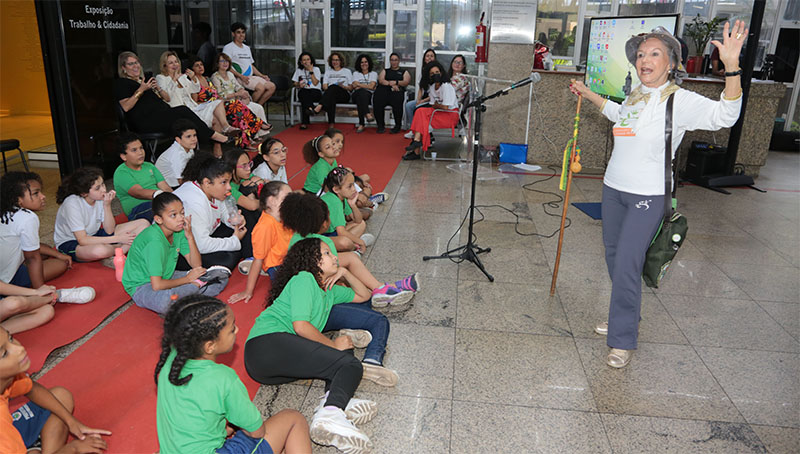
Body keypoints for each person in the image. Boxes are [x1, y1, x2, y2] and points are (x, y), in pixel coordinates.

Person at [569, 22, 746, 368]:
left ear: (672, 63)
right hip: (614, 188)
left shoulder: (681, 100)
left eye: (654, 53)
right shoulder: (637, 92)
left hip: (647, 195)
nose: (644, 60)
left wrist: (732, 67)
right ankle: (627, 317)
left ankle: (622, 339)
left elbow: (726, 114)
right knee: (615, 257)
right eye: (640, 54)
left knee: (627, 263)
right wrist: (589, 95)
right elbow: (620, 115)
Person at [244, 238, 395, 453]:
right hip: (266, 344)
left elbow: (365, 295)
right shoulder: (304, 279)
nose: (334, 257)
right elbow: (301, 326)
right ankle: (330, 414)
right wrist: (332, 345)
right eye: (326, 253)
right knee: (349, 364)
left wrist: (345, 273)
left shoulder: (329, 291)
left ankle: (335, 400)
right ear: (312, 260)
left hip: (270, 368)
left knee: (343, 358)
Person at [155, 294, 311, 454]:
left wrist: (222, 428)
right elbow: (257, 432)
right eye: (231, 329)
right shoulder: (223, 378)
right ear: (210, 346)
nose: (237, 329)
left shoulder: (171, 362)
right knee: (293, 419)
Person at [282, 192, 418, 308]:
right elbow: (334, 272)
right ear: (324, 223)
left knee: (350, 258)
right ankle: (381, 289)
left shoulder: (295, 239)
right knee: (354, 265)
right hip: (322, 290)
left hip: (300, 286)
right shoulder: (324, 243)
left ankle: (382, 287)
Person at [1, 327, 111, 453]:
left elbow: (31, 388)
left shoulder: (7, 379)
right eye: (4, 353)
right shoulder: (3, 438)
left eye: (10, 338)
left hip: (13, 436)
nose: (19, 348)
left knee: (61, 396)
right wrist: (73, 448)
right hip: (7, 443)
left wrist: (70, 421)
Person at [122, 192, 228, 315]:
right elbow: (157, 285)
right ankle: (196, 288)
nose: (181, 218)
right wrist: (188, 279)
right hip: (142, 285)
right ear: (158, 219)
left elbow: (196, 265)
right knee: (166, 302)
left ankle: (191, 292)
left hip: (167, 274)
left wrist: (190, 237)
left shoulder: (178, 231)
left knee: (221, 278)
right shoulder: (154, 242)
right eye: (173, 215)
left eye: (182, 213)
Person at [114, 51, 231, 146]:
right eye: (131, 64)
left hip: (162, 114)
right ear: (123, 68)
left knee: (187, 123)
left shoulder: (142, 81)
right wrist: (141, 90)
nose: (135, 66)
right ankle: (214, 136)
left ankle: (197, 152)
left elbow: (167, 98)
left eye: (137, 62)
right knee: (183, 111)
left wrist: (156, 89)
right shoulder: (123, 83)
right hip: (147, 122)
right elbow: (125, 107)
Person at [54, 167, 149, 262]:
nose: (103, 190)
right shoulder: (72, 204)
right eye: (97, 188)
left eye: (103, 184)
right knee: (99, 250)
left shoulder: (99, 198)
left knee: (143, 223)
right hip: (72, 241)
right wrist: (118, 238)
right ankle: (120, 247)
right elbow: (82, 240)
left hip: (94, 235)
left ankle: (120, 252)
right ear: (84, 194)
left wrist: (107, 205)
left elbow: (109, 230)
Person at [173, 153, 248, 271]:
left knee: (246, 223)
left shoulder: (213, 191)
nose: (229, 187)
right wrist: (234, 240)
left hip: (206, 235)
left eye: (229, 182)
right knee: (226, 260)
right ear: (207, 182)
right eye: (224, 182)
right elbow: (201, 245)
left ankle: (250, 256)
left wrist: (235, 221)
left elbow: (225, 214)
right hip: (183, 251)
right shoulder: (194, 203)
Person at [0, 172, 69, 289]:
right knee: (60, 265)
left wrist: (57, 254)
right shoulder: (27, 218)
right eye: (36, 193)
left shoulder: (6, 211)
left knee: (44, 250)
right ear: (18, 199)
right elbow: (32, 258)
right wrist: (40, 290)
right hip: (6, 279)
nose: (43, 196)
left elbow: (33, 246)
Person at [229, 181, 293, 299]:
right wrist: (248, 291)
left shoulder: (285, 215)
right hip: (277, 265)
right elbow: (258, 260)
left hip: (291, 255)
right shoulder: (265, 227)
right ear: (272, 201)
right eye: (288, 197)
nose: (292, 200)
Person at [155, 51, 239, 141]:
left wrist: (194, 78)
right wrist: (174, 80)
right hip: (179, 111)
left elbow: (195, 90)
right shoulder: (161, 78)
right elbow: (168, 97)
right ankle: (220, 145)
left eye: (176, 62)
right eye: (170, 63)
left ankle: (226, 128)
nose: (174, 64)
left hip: (193, 106)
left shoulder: (182, 77)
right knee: (215, 119)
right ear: (165, 66)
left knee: (218, 103)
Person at [190, 56, 269, 150]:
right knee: (235, 105)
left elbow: (218, 94)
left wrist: (242, 94)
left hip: (219, 104)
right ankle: (257, 125)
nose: (200, 67)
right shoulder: (195, 82)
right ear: (192, 69)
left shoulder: (207, 79)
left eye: (201, 65)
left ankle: (246, 141)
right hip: (208, 108)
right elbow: (195, 101)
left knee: (237, 111)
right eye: (197, 66)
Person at [403, 60, 460, 160]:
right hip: (438, 113)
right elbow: (433, 104)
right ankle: (416, 141)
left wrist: (437, 105)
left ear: (441, 72)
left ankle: (416, 148)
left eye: (437, 73)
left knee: (421, 116)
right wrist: (437, 106)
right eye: (432, 74)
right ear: (429, 76)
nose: (435, 75)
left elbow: (446, 107)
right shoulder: (433, 87)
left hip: (450, 115)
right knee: (419, 112)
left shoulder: (446, 86)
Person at [113, 133, 173, 222]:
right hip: (138, 211)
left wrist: (175, 197)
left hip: (158, 201)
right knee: (165, 209)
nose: (140, 152)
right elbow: (138, 192)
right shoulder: (122, 172)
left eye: (141, 148)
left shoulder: (149, 166)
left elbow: (165, 187)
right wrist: (160, 195)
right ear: (124, 156)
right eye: (134, 150)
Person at [211, 52, 272, 134]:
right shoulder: (215, 77)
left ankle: (256, 135)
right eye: (222, 61)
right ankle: (258, 125)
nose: (225, 63)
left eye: (227, 61)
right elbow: (220, 95)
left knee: (258, 107)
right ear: (217, 64)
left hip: (236, 101)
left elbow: (238, 87)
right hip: (225, 104)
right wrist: (236, 94)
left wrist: (243, 93)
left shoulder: (230, 74)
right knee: (240, 111)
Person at [320, 166, 374, 253]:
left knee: (362, 224)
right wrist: (361, 242)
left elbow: (358, 220)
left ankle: (354, 244)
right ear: (336, 189)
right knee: (344, 243)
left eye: (353, 184)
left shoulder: (341, 196)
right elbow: (341, 232)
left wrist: (353, 205)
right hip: (320, 237)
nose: (354, 189)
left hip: (331, 233)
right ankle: (355, 247)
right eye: (349, 186)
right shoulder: (334, 201)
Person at [222, 22, 276, 105]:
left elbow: (250, 65)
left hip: (250, 77)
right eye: (238, 32)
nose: (241, 35)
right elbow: (226, 66)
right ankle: (248, 110)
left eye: (243, 32)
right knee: (260, 88)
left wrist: (261, 75)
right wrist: (241, 76)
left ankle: (257, 108)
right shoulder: (228, 48)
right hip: (238, 77)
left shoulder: (246, 48)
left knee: (271, 86)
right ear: (233, 34)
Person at [224, 149, 263, 256]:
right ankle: (250, 253)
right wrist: (269, 200)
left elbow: (262, 181)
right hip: (227, 222)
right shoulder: (229, 186)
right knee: (248, 211)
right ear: (232, 169)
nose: (249, 168)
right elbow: (251, 206)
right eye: (244, 166)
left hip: (240, 216)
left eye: (249, 164)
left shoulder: (242, 178)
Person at [311, 52, 352, 127]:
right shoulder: (328, 71)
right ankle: (331, 123)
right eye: (333, 60)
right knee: (332, 95)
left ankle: (320, 106)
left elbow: (351, 88)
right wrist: (332, 87)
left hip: (343, 95)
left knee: (333, 88)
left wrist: (342, 86)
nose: (335, 62)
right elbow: (324, 87)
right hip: (331, 94)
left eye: (337, 60)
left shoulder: (347, 71)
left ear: (341, 61)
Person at [373, 52, 411, 134]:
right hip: (384, 93)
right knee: (377, 98)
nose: (394, 62)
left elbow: (406, 82)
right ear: (390, 61)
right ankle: (380, 125)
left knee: (397, 100)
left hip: (397, 93)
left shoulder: (404, 72)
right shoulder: (385, 71)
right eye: (392, 60)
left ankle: (397, 126)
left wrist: (396, 82)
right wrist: (391, 84)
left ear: (399, 61)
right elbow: (381, 80)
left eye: (396, 60)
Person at [403, 48, 437, 133]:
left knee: (418, 108)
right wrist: (418, 100)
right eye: (427, 56)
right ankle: (413, 130)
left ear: (435, 58)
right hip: (424, 99)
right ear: (424, 58)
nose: (429, 58)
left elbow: (435, 93)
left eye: (431, 56)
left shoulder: (436, 73)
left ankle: (421, 131)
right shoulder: (423, 72)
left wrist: (422, 101)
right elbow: (420, 89)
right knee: (409, 106)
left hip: (433, 100)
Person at [155, 119, 197, 189]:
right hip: (169, 188)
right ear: (178, 139)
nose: (193, 139)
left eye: (194, 135)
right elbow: (180, 181)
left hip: (181, 182)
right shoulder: (176, 153)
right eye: (188, 136)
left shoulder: (189, 148)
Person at [292, 51, 323, 130]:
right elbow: (294, 83)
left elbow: (315, 83)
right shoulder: (299, 70)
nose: (306, 62)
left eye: (308, 59)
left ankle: (304, 122)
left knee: (305, 97)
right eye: (304, 60)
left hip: (315, 91)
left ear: (311, 60)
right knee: (303, 93)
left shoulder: (316, 69)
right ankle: (310, 109)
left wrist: (311, 71)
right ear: (301, 62)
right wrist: (298, 84)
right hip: (304, 91)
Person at [350, 54, 378, 133]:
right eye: (362, 62)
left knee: (361, 96)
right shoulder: (356, 73)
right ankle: (367, 113)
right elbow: (354, 86)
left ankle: (361, 124)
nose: (364, 64)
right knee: (361, 93)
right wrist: (367, 86)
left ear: (369, 63)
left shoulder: (373, 74)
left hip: (368, 96)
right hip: (356, 95)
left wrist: (359, 84)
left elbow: (372, 86)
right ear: (359, 64)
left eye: (366, 62)